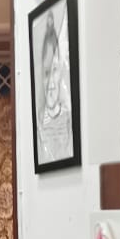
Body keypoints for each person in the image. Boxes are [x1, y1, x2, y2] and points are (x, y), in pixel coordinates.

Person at [39, 12, 72, 162]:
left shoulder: (68, 116)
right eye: (46, 73)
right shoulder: (40, 120)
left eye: (55, 71)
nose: (51, 84)